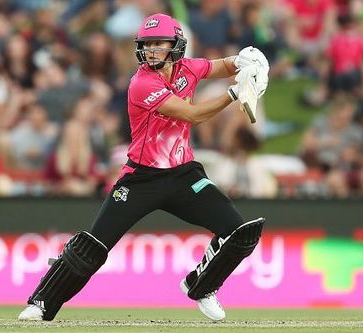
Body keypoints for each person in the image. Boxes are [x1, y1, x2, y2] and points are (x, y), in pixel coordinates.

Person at [18, 13, 269, 322]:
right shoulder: (141, 83)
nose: (150, 51)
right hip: (141, 178)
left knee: (240, 232)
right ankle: (41, 303)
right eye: (146, 44)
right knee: (94, 247)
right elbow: (192, 115)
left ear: (175, 46)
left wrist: (247, 61)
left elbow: (221, 66)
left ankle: (200, 286)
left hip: (184, 174)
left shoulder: (187, 68)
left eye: (157, 44)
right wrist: (234, 93)